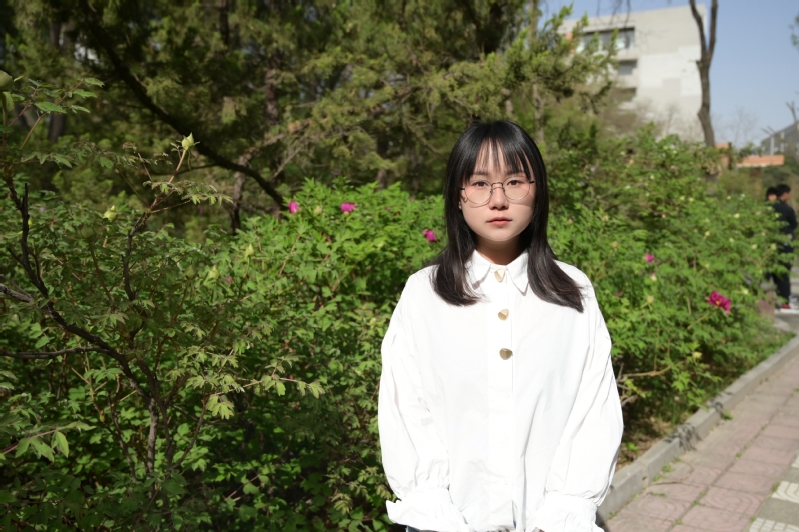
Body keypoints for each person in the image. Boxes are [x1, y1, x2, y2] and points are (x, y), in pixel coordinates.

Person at [378, 120, 623, 532]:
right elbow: (405, 410)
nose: (498, 200)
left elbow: (593, 411)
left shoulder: (573, 291)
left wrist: (563, 511)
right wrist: (435, 511)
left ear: (537, 190)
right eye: (479, 183)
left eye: (514, 182)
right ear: (458, 195)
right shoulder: (424, 293)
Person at [772, 184, 797, 311]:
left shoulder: (769, 207)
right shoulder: (787, 209)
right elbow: (794, 224)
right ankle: (784, 301)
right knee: (784, 272)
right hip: (785, 243)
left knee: (771, 271)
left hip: (770, 244)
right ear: (786, 194)